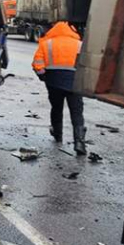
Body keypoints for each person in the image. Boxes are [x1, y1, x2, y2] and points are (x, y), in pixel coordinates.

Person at [32, 21, 86, 155]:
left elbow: (37, 64)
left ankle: (57, 134)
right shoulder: (80, 45)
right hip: (75, 83)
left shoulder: (46, 44)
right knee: (77, 112)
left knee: (56, 108)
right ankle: (79, 143)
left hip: (53, 81)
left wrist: (43, 77)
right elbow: (86, 65)